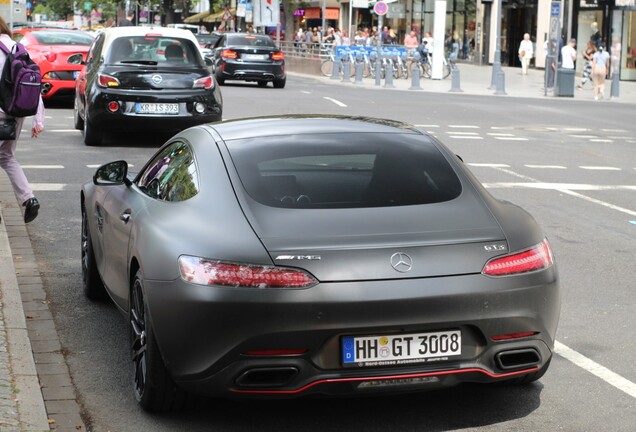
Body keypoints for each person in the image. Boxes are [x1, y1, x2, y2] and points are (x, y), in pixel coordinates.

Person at [0, 16, 45, 223]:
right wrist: (38, 119)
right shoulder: (17, 48)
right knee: (7, 157)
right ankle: (29, 199)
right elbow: (31, 83)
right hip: (17, 112)